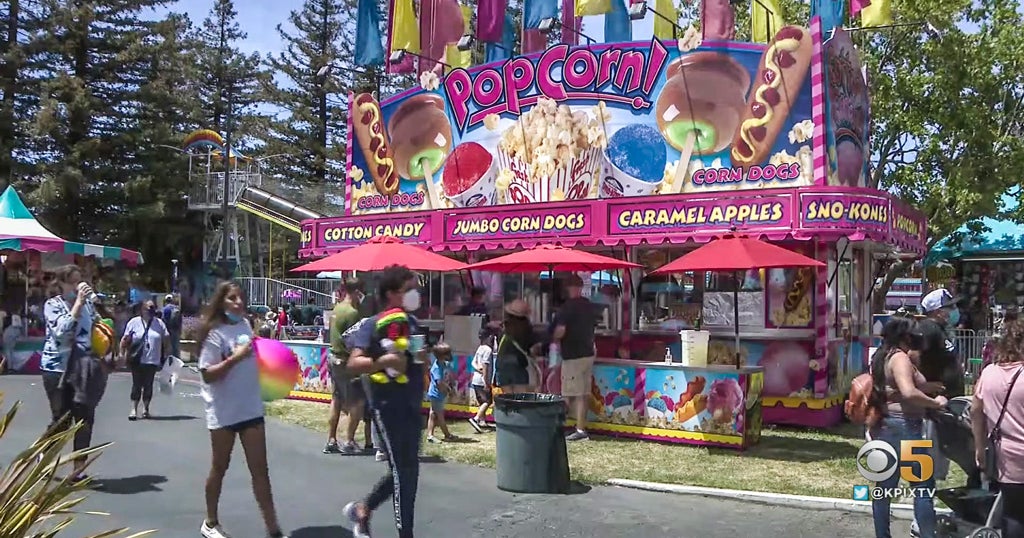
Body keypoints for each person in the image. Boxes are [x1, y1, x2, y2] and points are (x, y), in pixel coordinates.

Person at [196, 281, 288, 538]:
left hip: (250, 409)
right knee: (219, 467)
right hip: (223, 412)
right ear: (221, 302)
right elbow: (207, 375)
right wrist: (235, 357)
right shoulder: (215, 334)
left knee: (261, 471)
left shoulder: (246, 325)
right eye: (232, 298)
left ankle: (273, 529)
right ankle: (210, 522)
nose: (238, 302)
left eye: (240, 298)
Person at [342, 265, 426, 538]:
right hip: (387, 407)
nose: (415, 294)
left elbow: (415, 356)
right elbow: (354, 363)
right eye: (409, 289)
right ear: (391, 294)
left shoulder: (411, 323)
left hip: (412, 404)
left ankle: (363, 509)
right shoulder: (371, 324)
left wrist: (435, 351)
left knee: (407, 470)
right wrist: (382, 361)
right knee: (404, 473)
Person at [868, 317, 946, 538]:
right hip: (907, 427)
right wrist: (935, 403)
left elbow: (897, 388)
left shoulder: (884, 357)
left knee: (884, 488)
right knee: (923, 487)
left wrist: (929, 386)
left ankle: (882, 534)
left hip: (887, 426)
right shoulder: (900, 359)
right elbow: (908, 392)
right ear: (904, 337)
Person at [41, 264, 112, 483]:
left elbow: (99, 328)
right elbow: (61, 331)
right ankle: (44, 458)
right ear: (61, 283)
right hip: (58, 368)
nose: (77, 286)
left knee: (84, 417)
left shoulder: (89, 305)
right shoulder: (52, 305)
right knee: (62, 418)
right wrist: (78, 304)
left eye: (80, 280)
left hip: (84, 367)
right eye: (73, 281)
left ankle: (78, 469)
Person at [971, 319, 1024, 538]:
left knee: (1013, 514)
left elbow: (976, 411)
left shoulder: (988, 374)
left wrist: (979, 446)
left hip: (1008, 457)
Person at [325, 278, 372, 455]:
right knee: (357, 402)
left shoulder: (337, 308)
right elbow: (355, 340)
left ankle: (331, 439)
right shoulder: (352, 313)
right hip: (345, 361)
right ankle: (349, 440)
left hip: (333, 357)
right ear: (357, 292)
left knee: (337, 399)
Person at [553, 274, 598, 441]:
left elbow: (561, 332)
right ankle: (580, 427)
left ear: (569, 288)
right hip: (588, 352)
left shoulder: (567, 307)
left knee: (569, 393)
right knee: (583, 393)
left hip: (573, 354)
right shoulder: (589, 306)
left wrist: (553, 336)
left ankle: (561, 426)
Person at [119, 299, 170, 420]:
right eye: (148, 308)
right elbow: (125, 339)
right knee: (136, 384)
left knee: (148, 385)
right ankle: (133, 409)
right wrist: (121, 354)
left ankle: (146, 409)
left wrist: (168, 353)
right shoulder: (134, 322)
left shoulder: (159, 323)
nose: (151, 310)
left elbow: (166, 338)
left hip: (153, 359)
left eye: (153, 308)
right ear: (142, 309)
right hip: (137, 359)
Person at [493, 300, 539, 395]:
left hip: (503, 366)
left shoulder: (503, 327)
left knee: (509, 399)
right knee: (521, 399)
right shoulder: (526, 328)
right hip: (519, 365)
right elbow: (531, 347)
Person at [426, 343, 455, 443]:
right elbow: (439, 383)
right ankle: (447, 434)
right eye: (447, 354)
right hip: (436, 394)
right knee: (439, 415)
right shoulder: (436, 368)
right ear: (442, 355)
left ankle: (430, 435)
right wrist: (448, 390)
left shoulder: (443, 364)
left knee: (433, 414)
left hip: (439, 394)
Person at [468, 329, 495, 433]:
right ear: (488, 337)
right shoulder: (488, 350)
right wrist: (486, 382)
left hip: (475, 379)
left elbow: (473, 363)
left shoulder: (480, 348)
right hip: (482, 380)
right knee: (488, 401)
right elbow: (485, 366)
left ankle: (482, 422)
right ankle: (476, 419)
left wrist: (477, 368)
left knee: (481, 401)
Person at [162, 293, 183, 359]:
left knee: (168, 345)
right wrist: (180, 330)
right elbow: (180, 320)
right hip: (175, 329)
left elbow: (163, 320)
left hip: (167, 329)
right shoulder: (177, 309)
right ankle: (176, 359)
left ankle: (169, 359)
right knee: (175, 345)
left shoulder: (164, 309)